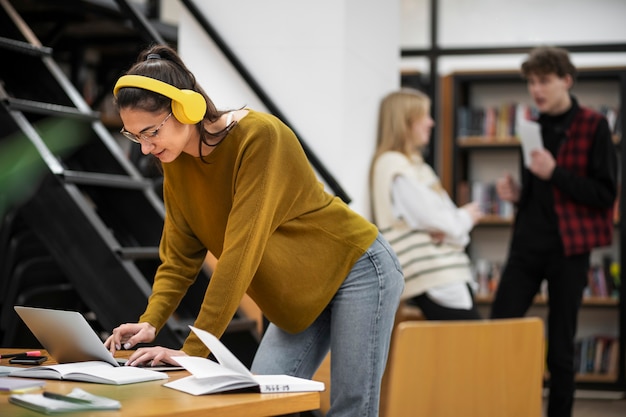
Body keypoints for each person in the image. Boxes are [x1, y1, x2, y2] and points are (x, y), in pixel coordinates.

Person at [104, 44, 404, 417]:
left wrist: (193, 352)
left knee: (350, 409)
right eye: (136, 137)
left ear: (187, 108)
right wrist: (151, 321)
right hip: (297, 293)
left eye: (150, 132)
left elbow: (240, 252)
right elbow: (179, 259)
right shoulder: (175, 162)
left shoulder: (258, 138)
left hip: (356, 266)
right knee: (259, 408)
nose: (146, 149)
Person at [491, 46, 617, 417]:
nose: (536, 89)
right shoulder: (530, 125)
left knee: (561, 347)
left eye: (543, 81)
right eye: (531, 82)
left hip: (570, 250)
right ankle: (498, 406)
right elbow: (534, 193)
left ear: (566, 80)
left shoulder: (595, 126)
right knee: (498, 329)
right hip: (526, 246)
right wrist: (516, 194)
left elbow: (605, 194)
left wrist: (555, 173)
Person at [370, 88, 483, 320]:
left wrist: (452, 227)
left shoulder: (417, 167)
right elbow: (443, 221)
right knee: (474, 348)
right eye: (424, 116)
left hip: (448, 273)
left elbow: (449, 227)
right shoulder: (394, 166)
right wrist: (465, 218)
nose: (431, 123)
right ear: (405, 122)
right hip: (436, 278)